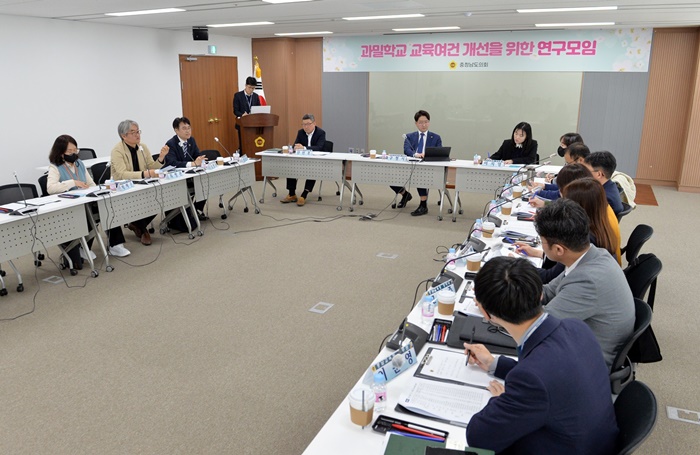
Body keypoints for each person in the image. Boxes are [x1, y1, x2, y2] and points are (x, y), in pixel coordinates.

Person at [464, 256, 618, 455]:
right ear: (540, 294)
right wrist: (495, 364)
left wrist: (502, 400)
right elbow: (552, 377)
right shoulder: (576, 327)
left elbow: (478, 437)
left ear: (486, 313)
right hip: (593, 440)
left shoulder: (532, 378)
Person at [535, 199, 634, 367]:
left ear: (558, 249)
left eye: (542, 241)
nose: (542, 245)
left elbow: (540, 327)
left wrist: (498, 308)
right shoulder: (594, 254)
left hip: (588, 364)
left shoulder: (587, 281)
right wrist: (513, 293)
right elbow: (548, 291)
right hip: (582, 342)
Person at [47, 135, 130, 264]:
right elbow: (50, 188)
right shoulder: (55, 167)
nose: (73, 154)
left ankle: (115, 244)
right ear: (61, 152)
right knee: (88, 215)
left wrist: (95, 190)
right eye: (70, 151)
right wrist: (73, 182)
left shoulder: (79, 163)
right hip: (70, 206)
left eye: (75, 150)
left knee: (107, 207)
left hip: (86, 200)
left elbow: (91, 183)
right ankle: (83, 247)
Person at [110, 119, 169, 246]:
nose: (137, 135)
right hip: (124, 187)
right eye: (133, 132)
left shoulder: (143, 147)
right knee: (142, 201)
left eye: (138, 131)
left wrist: (161, 157)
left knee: (158, 198)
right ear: (124, 136)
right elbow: (122, 174)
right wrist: (144, 174)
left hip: (141, 184)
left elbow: (151, 167)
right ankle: (143, 230)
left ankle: (136, 224)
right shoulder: (117, 150)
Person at [391, 110, 442, 216]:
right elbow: (406, 150)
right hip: (410, 165)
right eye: (421, 122)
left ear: (429, 122)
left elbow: (439, 152)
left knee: (420, 176)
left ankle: (423, 205)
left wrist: (426, 154)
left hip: (427, 168)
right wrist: (415, 155)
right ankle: (405, 194)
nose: (424, 125)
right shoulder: (409, 137)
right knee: (391, 177)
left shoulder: (436, 137)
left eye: (426, 122)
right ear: (416, 123)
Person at [165, 117, 208, 228]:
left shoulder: (191, 141)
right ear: (176, 130)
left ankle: (196, 209)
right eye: (184, 128)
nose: (188, 131)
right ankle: (185, 214)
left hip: (189, 176)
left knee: (206, 182)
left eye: (189, 128)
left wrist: (200, 159)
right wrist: (192, 164)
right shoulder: (171, 144)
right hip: (176, 180)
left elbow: (196, 155)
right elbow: (172, 163)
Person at [280, 114, 326, 207]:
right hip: (302, 159)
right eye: (304, 124)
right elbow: (295, 145)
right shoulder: (300, 132)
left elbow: (319, 147)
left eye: (308, 124)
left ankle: (304, 195)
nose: (306, 127)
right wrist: (295, 147)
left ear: (314, 123)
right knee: (291, 167)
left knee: (313, 170)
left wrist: (304, 148)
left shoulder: (321, 133)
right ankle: (292, 194)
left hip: (315, 160)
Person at [584, 151, 624, 215]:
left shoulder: (603, 199)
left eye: (586, 171)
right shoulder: (610, 185)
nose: (583, 173)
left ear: (599, 174)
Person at [233, 76, 261, 150]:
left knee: (253, 144)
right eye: (249, 87)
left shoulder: (255, 96)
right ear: (245, 85)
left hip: (253, 124)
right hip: (242, 123)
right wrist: (242, 115)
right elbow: (235, 111)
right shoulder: (238, 96)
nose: (251, 90)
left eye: (253, 88)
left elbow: (259, 109)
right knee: (243, 145)